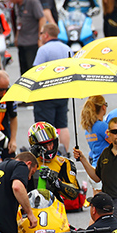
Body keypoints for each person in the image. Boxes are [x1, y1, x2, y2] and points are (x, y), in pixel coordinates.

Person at [73, 119, 117, 232]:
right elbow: (97, 177)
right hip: (106, 206)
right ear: (108, 133)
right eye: (114, 131)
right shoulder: (105, 154)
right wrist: (82, 159)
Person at [32, 23, 72, 153]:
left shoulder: (44, 50)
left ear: (46, 35)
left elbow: (36, 71)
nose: (41, 36)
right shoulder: (67, 48)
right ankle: (65, 153)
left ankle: (47, 152)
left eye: (41, 34)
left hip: (46, 94)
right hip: (63, 91)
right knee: (62, 125)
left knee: (45, 127)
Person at [8, 0, 46, 77]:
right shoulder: (16, 5)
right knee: (23, 71)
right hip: (21, 42)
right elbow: (18, 21)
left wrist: (40, 37)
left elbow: (42, 18)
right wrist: (16, 37)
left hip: (31, 42)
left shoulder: (32, 1)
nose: (9, 0)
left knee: (32, 70)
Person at [80, 95, 109, 170]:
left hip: (95, 165)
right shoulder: (102, 126)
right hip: (105, 166)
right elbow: (116, 141)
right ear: (103, 107)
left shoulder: (89, 128)